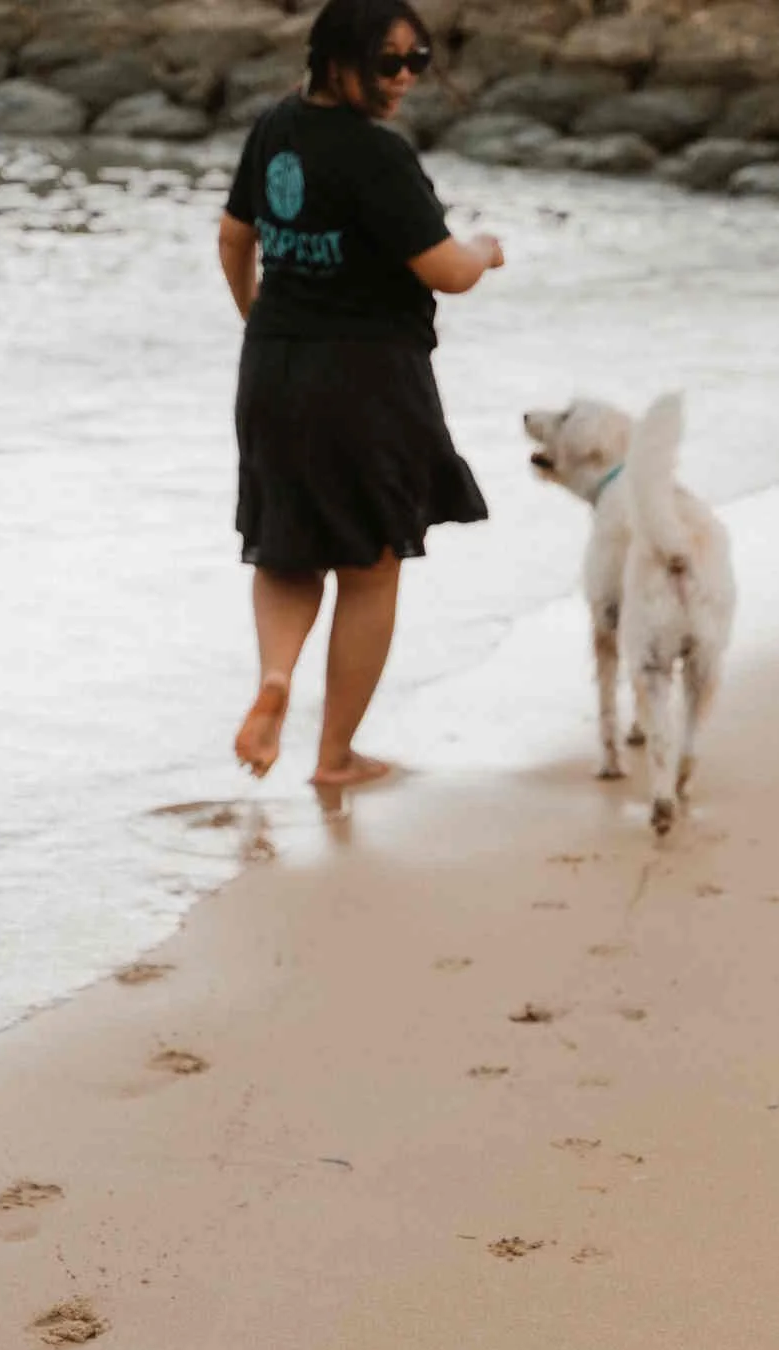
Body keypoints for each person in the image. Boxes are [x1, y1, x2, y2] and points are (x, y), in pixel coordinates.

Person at [218, 0, 505, 790]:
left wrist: (261, 322)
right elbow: (445, 270)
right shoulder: (377, 155)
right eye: (389, 62)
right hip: (368, 381)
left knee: (286, 549)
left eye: (417, 59)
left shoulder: (275, 126)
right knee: (370, 565)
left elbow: (234, 236)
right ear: (335, 59)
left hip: (274, 371)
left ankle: (276, 677)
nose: (406, 77)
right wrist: (482, 248)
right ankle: (335, 757)